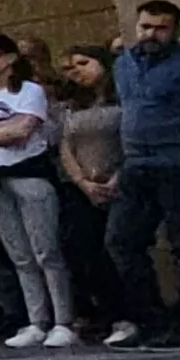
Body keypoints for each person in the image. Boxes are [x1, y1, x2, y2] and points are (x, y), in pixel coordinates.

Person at [0, 32, 78, 347]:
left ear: (10, 58)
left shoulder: (30, 90)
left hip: (28, 174)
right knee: (20, 255)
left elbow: (24, 129)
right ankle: (36, 320)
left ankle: (63, 320)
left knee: (46, 251)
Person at [108, 1, 180, 349]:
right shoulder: (124, 64)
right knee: (121, 242)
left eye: (160, 28)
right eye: (145, 27)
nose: (151, 34)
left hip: (176, 164)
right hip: (136, 165)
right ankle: (150, 319)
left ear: (175, 32)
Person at [52, 42, 128, 335]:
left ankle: (134, 313)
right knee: (85, 249)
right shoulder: (73, 104)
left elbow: (130, 138)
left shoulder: (121, 96)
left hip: (119, 180)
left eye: (84, 63)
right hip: (84, 185)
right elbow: (66, 146)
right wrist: (82, 182)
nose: (78, 72)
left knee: (118, 246)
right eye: (72, 67)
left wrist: (117, 176)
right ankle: (110, 313)